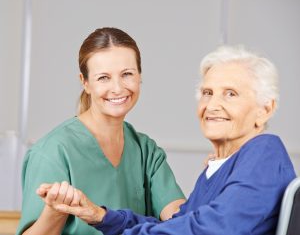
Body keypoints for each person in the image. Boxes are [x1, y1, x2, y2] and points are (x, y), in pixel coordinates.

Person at [37, 45, 296, 235]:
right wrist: (101, 216)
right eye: (207, 93)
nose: (213, 105)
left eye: (230, 94)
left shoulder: (264, 152)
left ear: (265, 109)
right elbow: (174, 226)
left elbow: (213, 230)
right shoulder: (220, 166)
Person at [16, 27, 185, 235]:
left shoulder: (145, 151)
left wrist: (215, 176)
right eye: (103, 77)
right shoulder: (53, 152)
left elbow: (181, 221)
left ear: (140, 76)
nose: (117, 88)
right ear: (85, 82)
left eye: (127, 74)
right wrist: (55, 211)